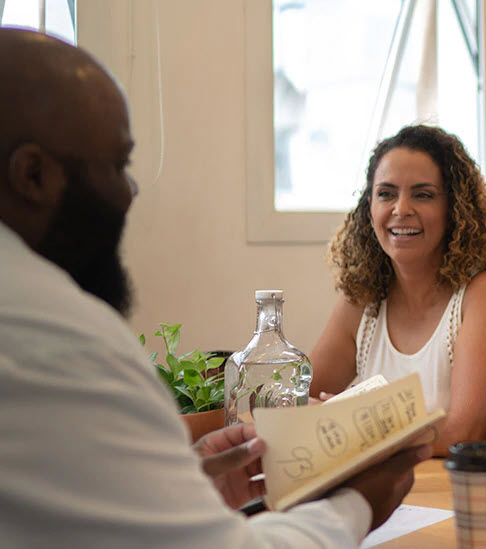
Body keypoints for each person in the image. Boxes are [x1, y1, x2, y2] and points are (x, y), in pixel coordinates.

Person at [0, 28, 429, 547]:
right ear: (33, 175)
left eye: (422, 195)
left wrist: (179, 482)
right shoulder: (52, 340)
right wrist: (358, 501)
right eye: (117, 165)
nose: (130, 191)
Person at [309, 125, 486, 457]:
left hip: (448, 497)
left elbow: (464, 432)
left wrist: (353, 422)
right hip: (375, 495)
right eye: (386, 193)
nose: (401, 209)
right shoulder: (360, 300)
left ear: (455, 209)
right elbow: (297, 402)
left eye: (423, 194)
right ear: (369, 207)